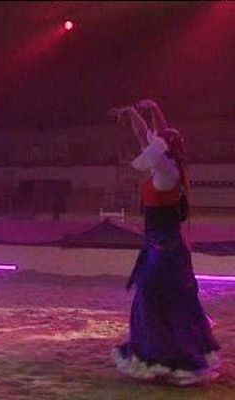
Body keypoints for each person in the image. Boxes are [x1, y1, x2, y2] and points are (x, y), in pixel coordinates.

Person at [108, 99, 220, 386]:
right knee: (168, 302)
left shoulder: (165, 172)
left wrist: (149, 116)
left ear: (164, 149)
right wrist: (139, 111)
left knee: (155, 302)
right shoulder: (170, 168)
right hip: (164, 247)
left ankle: (166, 357)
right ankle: (169, 356)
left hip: (163, 250)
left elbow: (149, 139)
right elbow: (148, 134)